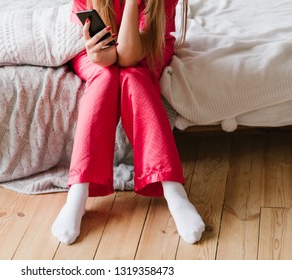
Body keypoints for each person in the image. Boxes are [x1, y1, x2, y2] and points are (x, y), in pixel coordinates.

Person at [52, 0, 205, 245]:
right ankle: (78, 193)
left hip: (148, 45)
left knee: (133, 77)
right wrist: (96, 53)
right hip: (94, 52)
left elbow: (128, 57)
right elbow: (107, 58)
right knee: (104, 77)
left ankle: (173, 190)